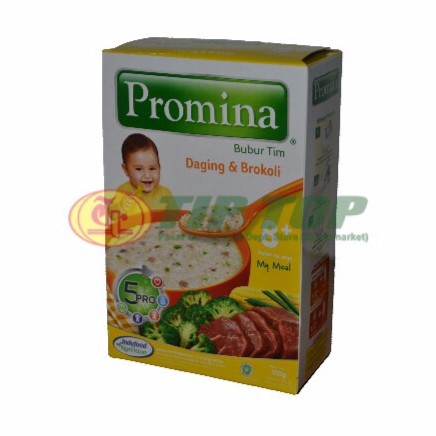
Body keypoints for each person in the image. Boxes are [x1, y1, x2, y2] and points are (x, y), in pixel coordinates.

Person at [113, 133, 174, 210]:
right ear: (126, 170)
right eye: (139, 169)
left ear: (159, 167)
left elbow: (176, 216)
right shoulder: (122, 193)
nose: (147, 175)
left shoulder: (166, 193)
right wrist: (121, 207)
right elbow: (113, 213)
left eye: (152, 168)